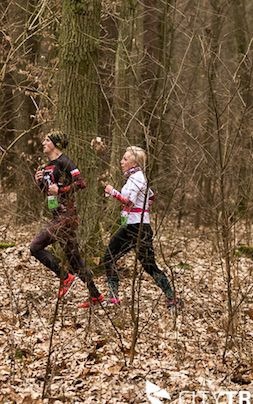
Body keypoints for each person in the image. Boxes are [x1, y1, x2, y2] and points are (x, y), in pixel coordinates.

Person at [28, 131, 105, 308]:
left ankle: (65, 278)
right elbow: (49, 192)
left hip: (67, 216)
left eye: (47, 140)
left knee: (35, 247)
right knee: (75, 261)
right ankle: (96, 296)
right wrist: (40, 183)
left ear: (55, 144)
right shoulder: (48, 166)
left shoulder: (65, 162)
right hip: (58, 215)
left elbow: (81, 183)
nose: (43, 143)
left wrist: (61, 190)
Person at [101, 146, 179, 310]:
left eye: (125, 159)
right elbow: (151, 197)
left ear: (134, 163)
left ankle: (172, 298)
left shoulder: (137, 178)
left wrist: (112, 191)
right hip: (131, 226)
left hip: (139, 229)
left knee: (149, 266)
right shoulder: (134, 178)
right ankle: (113, 298)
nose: (121, 162)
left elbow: (128, 201)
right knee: (109, 256)